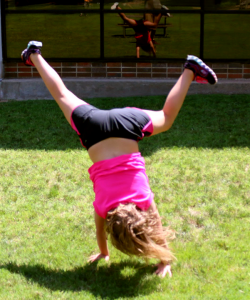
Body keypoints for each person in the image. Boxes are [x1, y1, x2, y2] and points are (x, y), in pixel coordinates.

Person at [21, 41, 217, 278]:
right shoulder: (104, 206)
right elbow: (99, 227)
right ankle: (34, 54)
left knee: (166, 118)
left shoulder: (143, 199)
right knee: (61, 94)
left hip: (127, 124)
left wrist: (165, 258)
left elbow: (155, 220)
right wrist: (103, 252)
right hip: (93, 127)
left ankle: (190, 69)